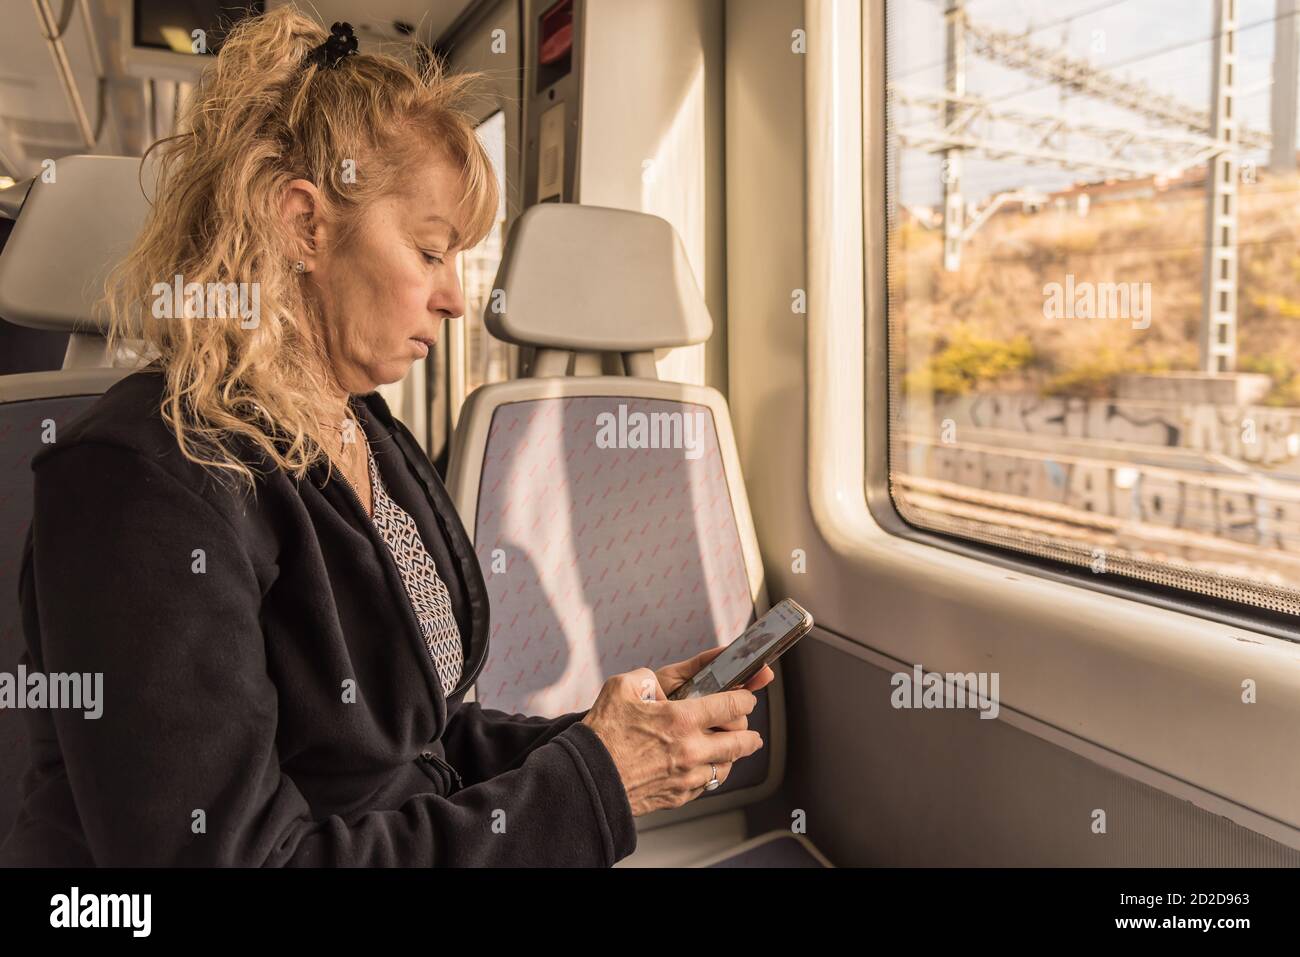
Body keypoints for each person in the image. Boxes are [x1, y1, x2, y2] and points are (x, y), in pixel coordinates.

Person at [0, 9, 768, 867]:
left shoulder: (361, 428)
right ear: (304, 225)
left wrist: (605, 739)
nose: (454, 298)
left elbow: (413, 745)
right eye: (432, 251)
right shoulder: (144, 480)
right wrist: (593, 784)